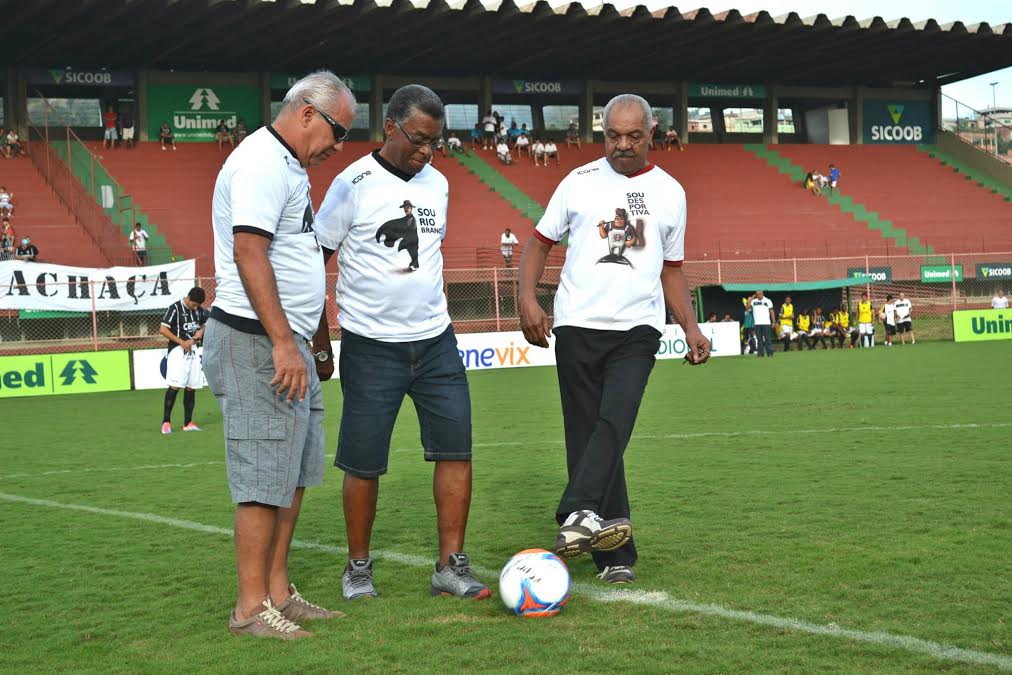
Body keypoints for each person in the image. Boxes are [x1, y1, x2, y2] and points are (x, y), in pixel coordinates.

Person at [518, 93, 710, 586]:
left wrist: (689, 325)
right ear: (603, 133)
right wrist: (527, 300)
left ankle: (575, 510)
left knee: (614, 422)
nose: (621, 145)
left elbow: (673, 269)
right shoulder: (577, 182)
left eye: (632, 136)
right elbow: (539, 244)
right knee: (590, 437)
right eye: (612, 136)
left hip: (637, 331)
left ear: (653, 133)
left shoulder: (671, 192)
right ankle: (616, 554)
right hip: (578, 325)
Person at [315, 84, 490, 602]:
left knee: (457, 451)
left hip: (437, 343)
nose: (426, 151)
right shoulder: (351, 185)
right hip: (371, 346)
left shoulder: (438, 185)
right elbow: (312, 265)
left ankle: (450, 567)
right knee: (363, 462)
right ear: (390, 126)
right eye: (417, 139)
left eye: (435, 142)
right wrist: (321, 340)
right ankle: (359, 569)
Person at [203, 71, 355, 639]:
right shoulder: (263, 162)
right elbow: (249, 252)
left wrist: (312, 338)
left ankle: (277, 594)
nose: (338, 146)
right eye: (337, 131)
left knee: (290, 472)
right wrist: (285, 342)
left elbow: (297, 258)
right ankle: (248, 611)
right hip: (256, 342)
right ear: (308, 113)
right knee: (262, 475)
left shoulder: (288, 165)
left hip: (286, 342)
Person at [159, 287, 208, 434]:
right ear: (189, 298)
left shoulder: (199, 310)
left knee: (191, 386)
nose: (196, 308)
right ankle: (166, 422)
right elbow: (163, 329)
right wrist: (182, 342)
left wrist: (201, 330)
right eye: (194, 304)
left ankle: (188, 422)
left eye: (198, 306)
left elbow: (207, 322)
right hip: (177, 350)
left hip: (193, 350)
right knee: (175, 386)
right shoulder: (175, 308)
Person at [749, 290, 775, 357]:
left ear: (762, 294)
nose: (758, 295)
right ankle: (760, 354)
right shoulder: (753, 301)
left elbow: (771, 311)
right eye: (757, 294)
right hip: (757, 323)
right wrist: (751, 298)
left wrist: (773, 321)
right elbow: (747, 308)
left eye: (760, 294)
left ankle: (770, 353)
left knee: (768, 339)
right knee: (759, 339)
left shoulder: (768, 301)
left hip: (766, 323)